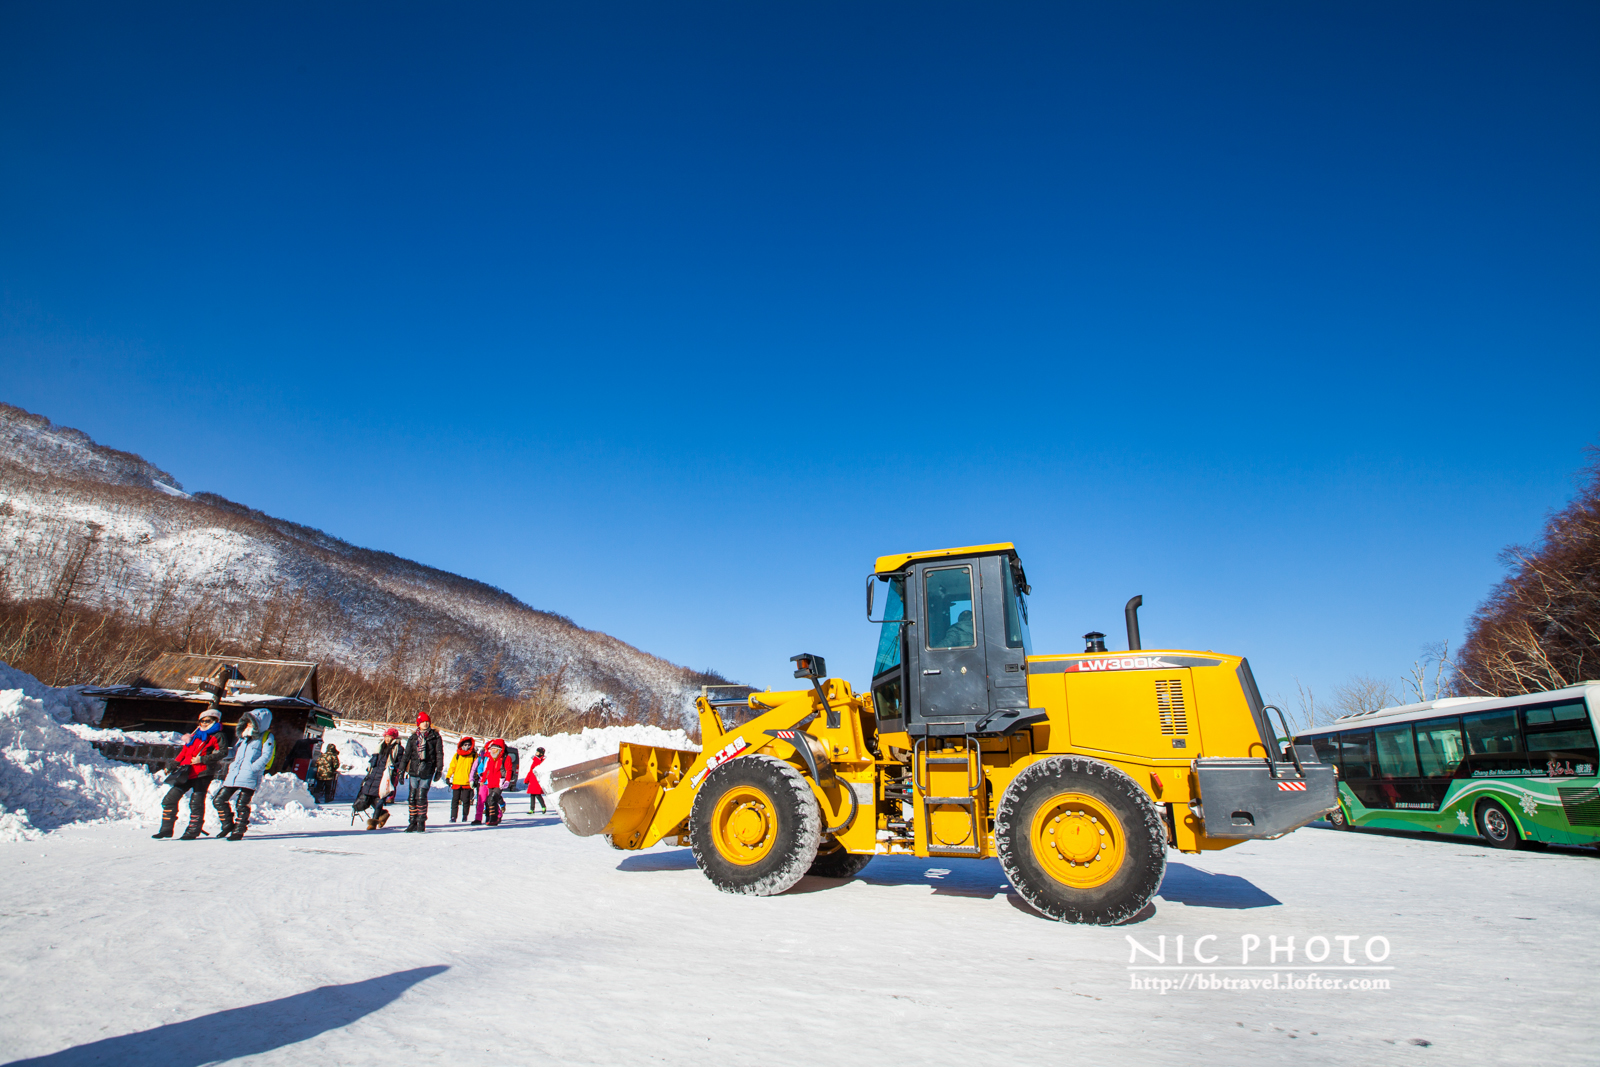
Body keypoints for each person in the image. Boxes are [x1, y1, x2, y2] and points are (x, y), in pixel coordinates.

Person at [152, 706, 226, 840]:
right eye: (201, 721)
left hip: (202, 773)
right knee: (169, 799)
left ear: (215, 721)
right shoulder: (195, 735)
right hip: (186, 772)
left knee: (196, 802)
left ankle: (193, 830)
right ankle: (166, 830)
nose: (204, 724)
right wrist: (174, 764)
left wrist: (202, 759)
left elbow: (222, 752)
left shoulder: (217, 736)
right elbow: (184, 752)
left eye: (207, 721)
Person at [212, 707, 276, 842]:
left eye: (252, 722)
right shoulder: (243, 738)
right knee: (219, 800)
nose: (249, 725)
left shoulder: (266, 737)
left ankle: (239, 830)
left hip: (250, 775)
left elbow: (267, 755)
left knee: (242, 804)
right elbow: (235, 753)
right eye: (247, 722)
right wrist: (220, 753)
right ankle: (228, 825)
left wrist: (254, 768)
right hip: (234, 774)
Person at [399, 711, 444, 832]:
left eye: (427, 721)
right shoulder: (413, 738)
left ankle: (421, 821)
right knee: (412, 797)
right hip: (414, 770)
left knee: (421, 797)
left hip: (427, 769)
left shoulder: (435, 737)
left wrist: (439, 769)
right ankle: (412, 821)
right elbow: (406, 755)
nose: (425, 723)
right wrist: (401, 770)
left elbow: (439, 754)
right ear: (418, 723)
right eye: (422, 721)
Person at [353, 728, 404, 829]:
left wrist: (394, 769)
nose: (387, 739)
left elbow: (401, 762)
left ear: (393, 738)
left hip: (386, 776)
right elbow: (374, 759)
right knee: (370, 797)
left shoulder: (398, 748)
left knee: (379, 799)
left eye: (389, 737)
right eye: (386, 736)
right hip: (374, 775)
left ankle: (373, 823)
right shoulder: (380, 746)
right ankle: (383, 814)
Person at [475, 738, 514, 826]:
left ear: (500, 750)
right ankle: (493, 818)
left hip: (499, 783)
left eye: (494, 749)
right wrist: (483, 779)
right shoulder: (491, 759)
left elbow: (509, 770)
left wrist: (507, 780)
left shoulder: (505, 758)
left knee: (492, 798)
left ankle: (494, 819)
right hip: (490, 783)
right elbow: (487, 770)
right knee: (490, 800)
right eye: (491, 749)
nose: (493, 751)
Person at [444, 736, 477, 822]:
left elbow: (476, 767)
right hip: (457, 781)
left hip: (467, 782)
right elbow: (452, 767)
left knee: (466, 801)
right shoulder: (457, 755)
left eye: (468, 745)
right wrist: (448, 776)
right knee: (455, 800)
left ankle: (465, 816)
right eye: (464, 744)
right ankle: (453, 817)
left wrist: (475, 778)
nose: (466, 746)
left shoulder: (474, 755)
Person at [525, 746, 547, 814]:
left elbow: (539, 765)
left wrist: (535, 758)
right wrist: (527, 779)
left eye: (537, 752)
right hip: (532, 780)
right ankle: (532, 809)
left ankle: (543, 807)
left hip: (537, 780)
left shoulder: (542, 760)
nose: (536, 753)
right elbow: (530, 771)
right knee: (532, 795)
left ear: (541, 753)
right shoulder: (535, 761)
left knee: (537, 794)